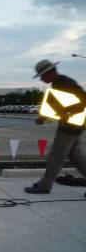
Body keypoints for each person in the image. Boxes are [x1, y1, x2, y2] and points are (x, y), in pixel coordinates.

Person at [25, 59, 86, 194]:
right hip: (73, 125)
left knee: (56, 157)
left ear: (51, 72)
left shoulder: (66, 83)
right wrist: (43, 117)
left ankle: (44, 186)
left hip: (71, 126)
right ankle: (44, 185)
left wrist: (68, 112)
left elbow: (84, 100)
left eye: (42, 75)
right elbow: (55, 105)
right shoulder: (57, 84)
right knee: (76, 157)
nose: (41, 79)